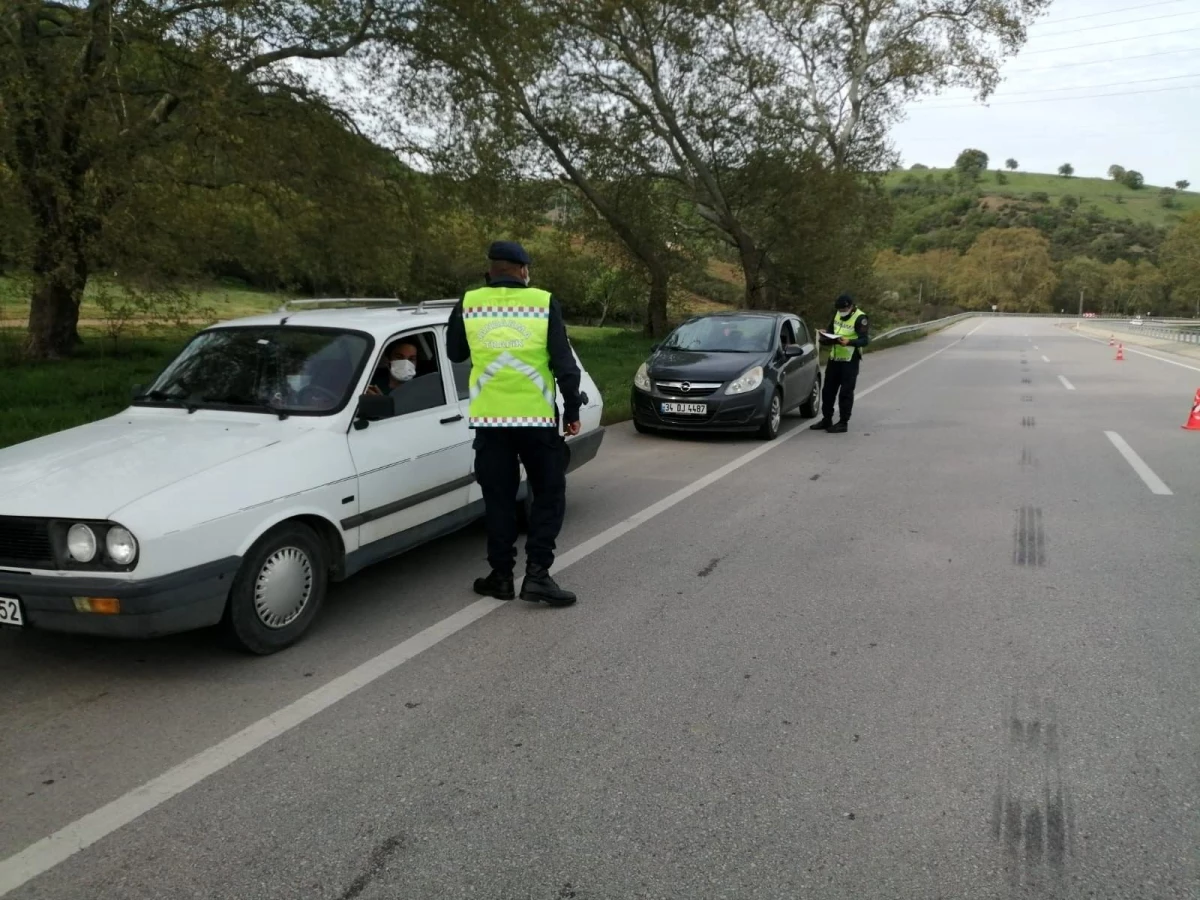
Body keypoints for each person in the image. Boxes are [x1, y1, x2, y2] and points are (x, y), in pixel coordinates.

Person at [446, 240, 583, 607]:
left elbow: (455, 353)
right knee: (549, 495)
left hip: (491, 422)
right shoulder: (542, 302)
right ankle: (537, 574)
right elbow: (564, 365)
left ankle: (501, 576)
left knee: (499, 499)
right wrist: (572, 411)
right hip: (536, 421)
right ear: (524, 271)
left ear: (489, 271)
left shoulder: (469, 302)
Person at [811, 294, 869, 433]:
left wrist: (850, 342)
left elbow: (864, 340)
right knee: (828, 391)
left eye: (843, 309)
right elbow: (832, 331)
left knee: (845, 392)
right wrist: (825, 335)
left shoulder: (861, 318)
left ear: (850, 306)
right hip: (835, 358)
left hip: (850, 360)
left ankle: (843, 423)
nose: (841, 311)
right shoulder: (837, 314)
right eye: (839, 309)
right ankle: (827, 419)